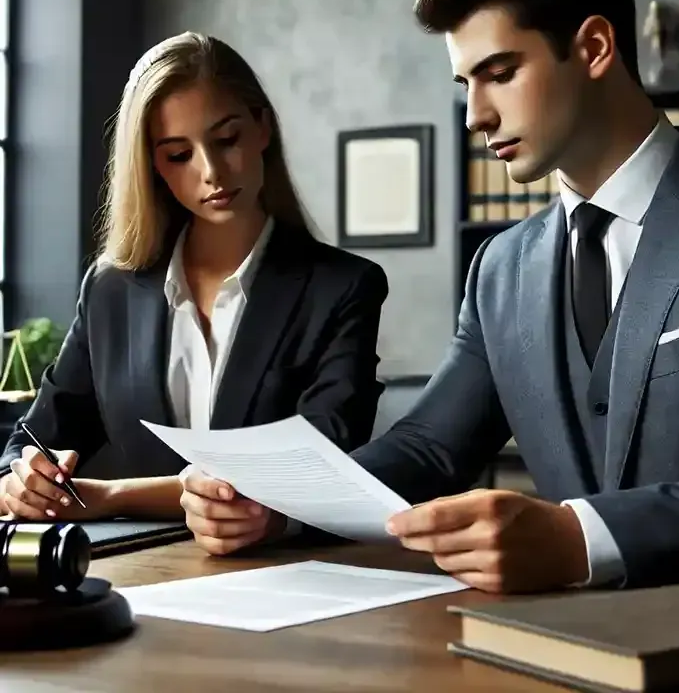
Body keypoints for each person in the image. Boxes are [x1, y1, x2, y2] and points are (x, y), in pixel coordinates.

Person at [194, 0, 679, 585]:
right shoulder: (500, 269)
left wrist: (577, 538)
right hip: (549, 654)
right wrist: (276, 508)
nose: (474, 116)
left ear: (595, 47)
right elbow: (427, 449)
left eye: (501, 73)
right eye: (466, 85)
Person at [0, 32, 388, 553]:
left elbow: (321, 463)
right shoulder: (111, 290)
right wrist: (21, 479)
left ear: (262, 128)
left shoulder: (343, 287)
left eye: (226, 140)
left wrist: (109, 494)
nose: (210, 171)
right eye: (179, 154)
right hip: (139, 573)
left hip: (282, 573)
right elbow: (35, 438)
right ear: (153, 167)